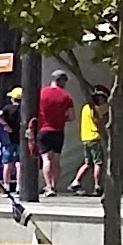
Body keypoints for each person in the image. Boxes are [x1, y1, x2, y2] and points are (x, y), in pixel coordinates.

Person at [34, 71, 76, 199]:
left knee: (46, 159)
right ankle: (54, 185)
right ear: (62, 81)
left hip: (43, 129)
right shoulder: (66, 97)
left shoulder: (41, 93)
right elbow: (71, 116)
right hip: (58, 130)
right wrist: (61, 119)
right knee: (56, 160)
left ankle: (48, 186)